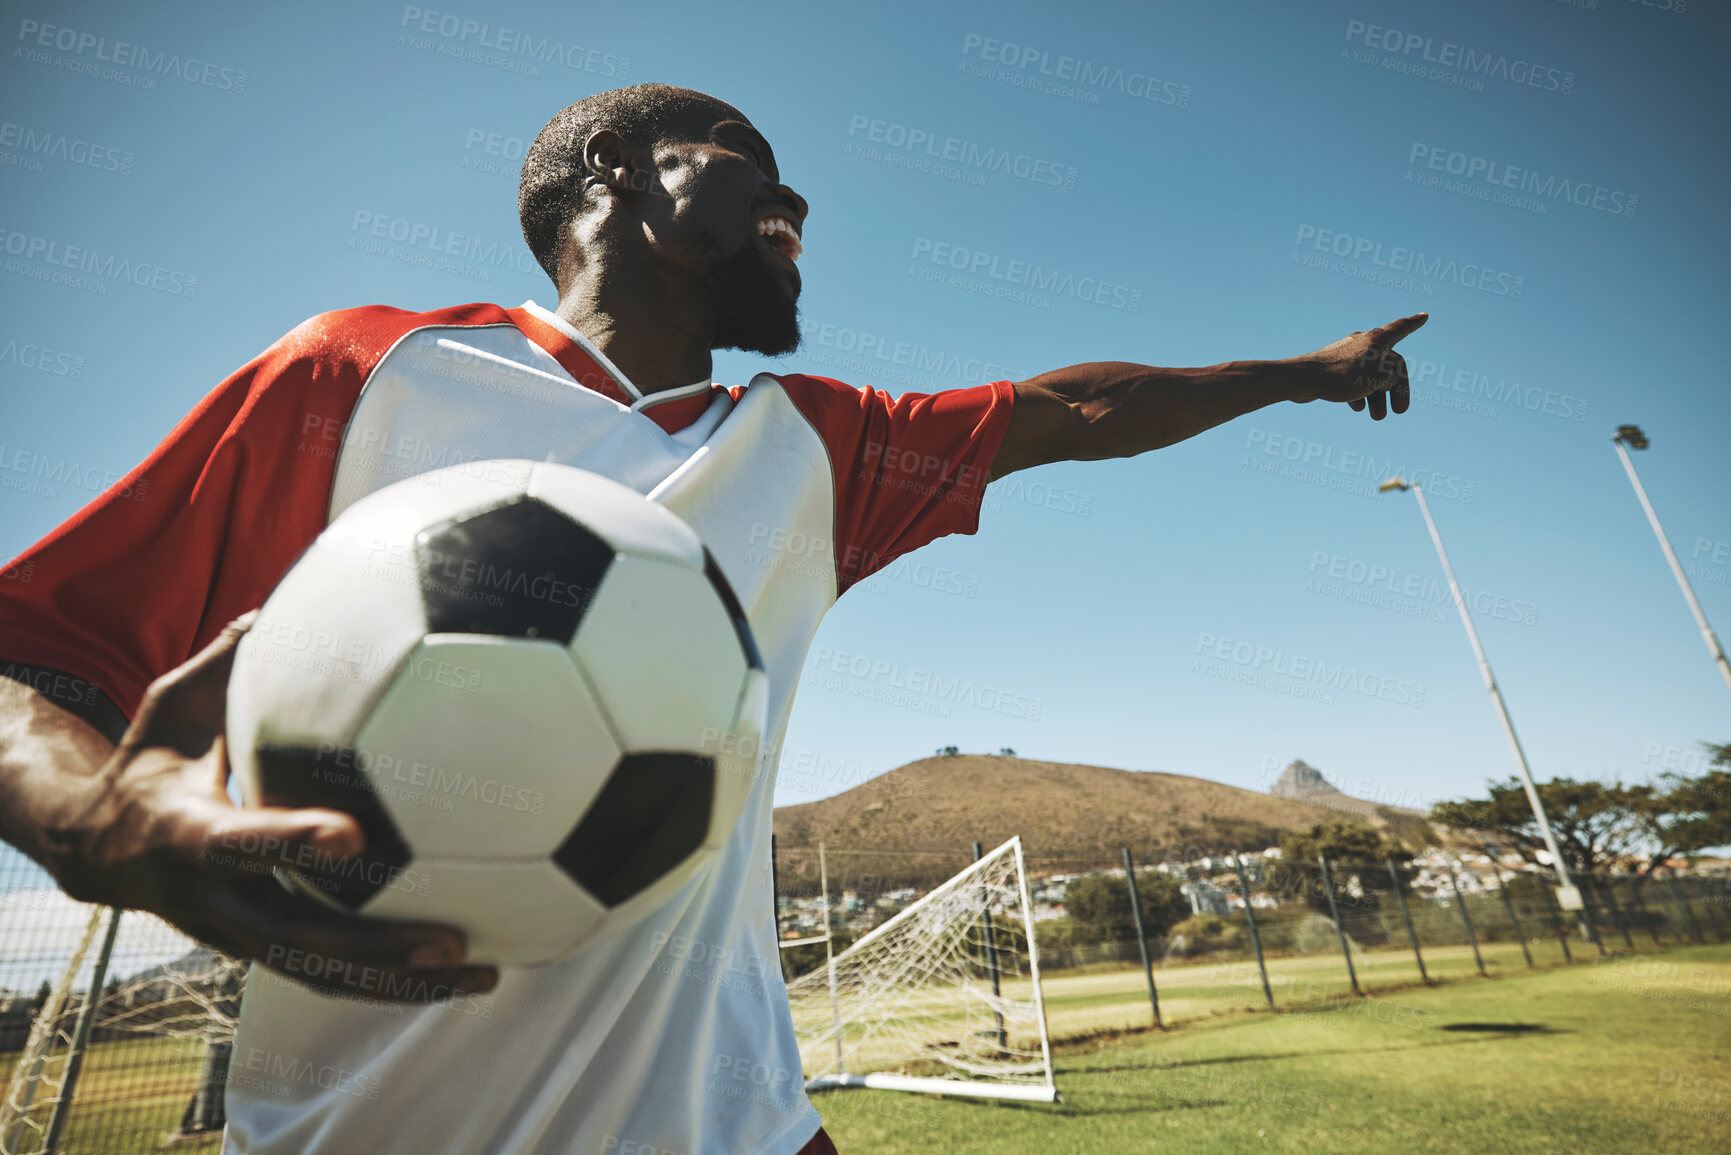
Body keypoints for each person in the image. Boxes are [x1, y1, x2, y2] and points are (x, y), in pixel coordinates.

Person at [0, 83, 1426, 1153]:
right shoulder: (362, 373)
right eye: (755, 169)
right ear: (620, 171)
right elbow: (23, 660)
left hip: (739, 1129)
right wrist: (81, 814)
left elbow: (1082, 409)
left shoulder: (814, 448)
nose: (794, 211)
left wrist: (1306, 371)